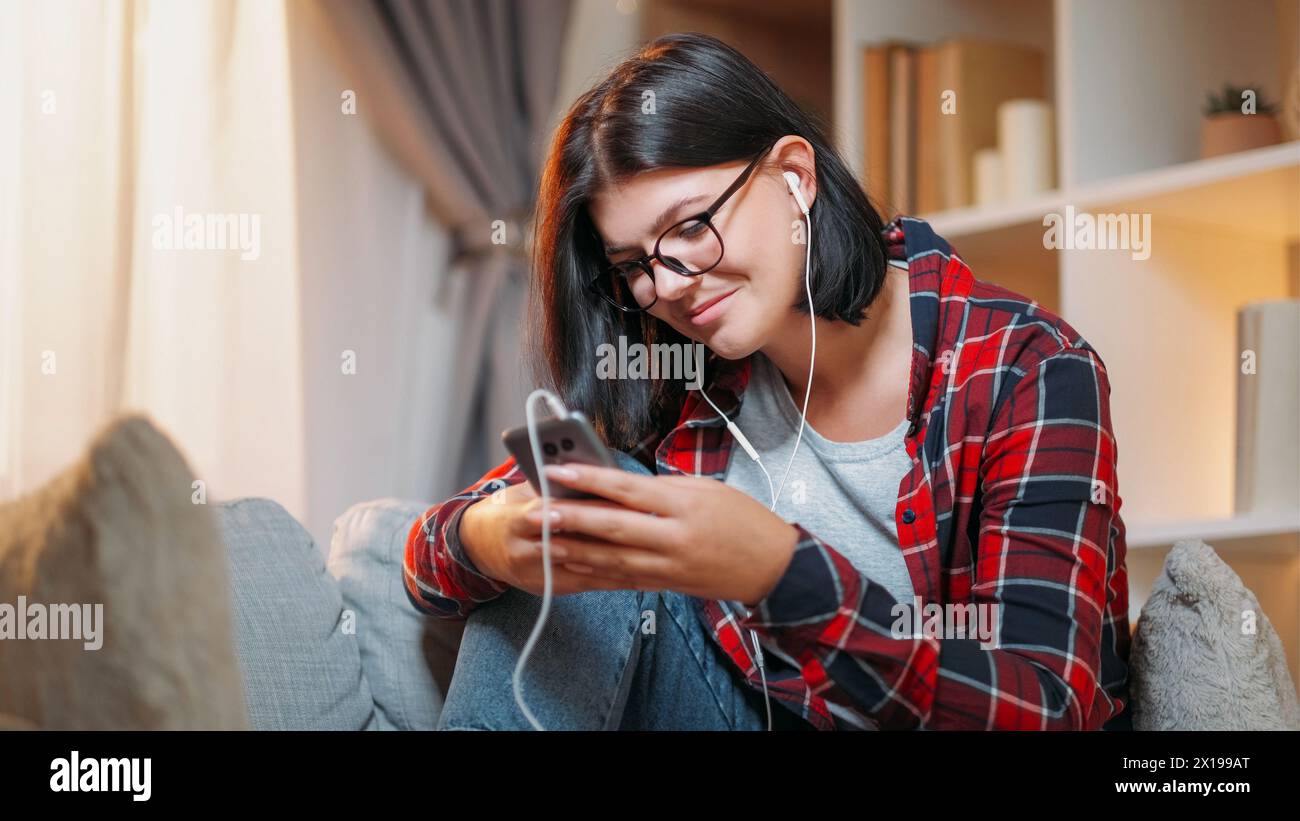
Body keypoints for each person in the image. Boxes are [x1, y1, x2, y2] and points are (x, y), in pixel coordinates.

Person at [403, 32, 1131, 731]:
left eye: (690, 226)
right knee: (586, 512)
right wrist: (487, 536)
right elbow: (423, 557)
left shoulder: (1027, 370)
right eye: (633, 265)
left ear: (795, 176)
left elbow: (1046, 703)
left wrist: (779, 574)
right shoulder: (676, 377)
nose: (668, 284)